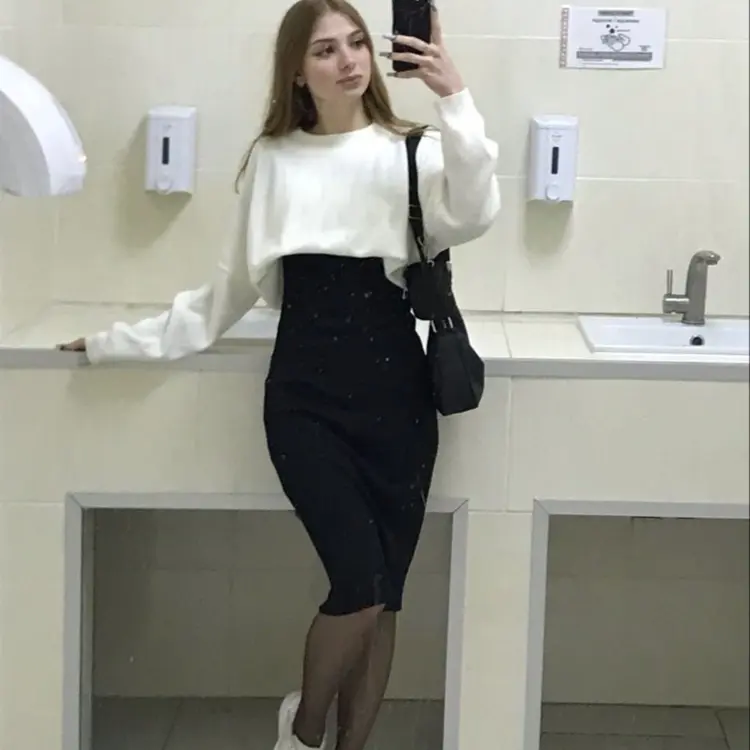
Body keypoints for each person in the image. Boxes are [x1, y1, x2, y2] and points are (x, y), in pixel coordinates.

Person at [59, 1, 500, 747]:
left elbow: (477, 209)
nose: (348, 60)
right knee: (359, 586)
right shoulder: (274, 158)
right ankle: (303, 731)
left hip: (397, 395)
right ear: (297, 70)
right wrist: (116, 343)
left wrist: (454, 95)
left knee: (384, 597)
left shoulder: (412, 150)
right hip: (306, 399)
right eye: (325, 50)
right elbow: (226, 292)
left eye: (357, 43)